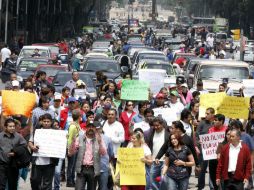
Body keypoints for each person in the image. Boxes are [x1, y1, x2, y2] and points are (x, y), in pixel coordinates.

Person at [29, 114, 59, 190]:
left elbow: (60, 144)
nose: (46, 123)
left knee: (47, 184)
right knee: (35, 181)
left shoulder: (56, 132)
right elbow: (30, 142)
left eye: (48, 121)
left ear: (51, 122)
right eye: (44, 121)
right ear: (41, 122)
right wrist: (33, 147)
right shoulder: (37, 131)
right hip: (37, 161)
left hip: (50, 162)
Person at [74, 121, 106, 190]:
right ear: (86, 128)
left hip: (93, 170)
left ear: (95, 128)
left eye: (93, 127)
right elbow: (72, 152)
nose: (91, 128)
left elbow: (103, 153)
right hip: (81, 169)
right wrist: (72, 142)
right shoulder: (80, 138)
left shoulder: (99, 139)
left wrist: (100, 143)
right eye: (89, 126)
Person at [0, 118, 27, 190]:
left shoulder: (18, 136)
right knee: (1, 185)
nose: (12, 128)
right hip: (2, 164)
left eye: (13, 126)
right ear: (5, 127)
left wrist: (15, 152)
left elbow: (24, 146)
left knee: (13, 185)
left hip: (13, 165)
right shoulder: (0, 136)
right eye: (10, 126)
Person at [145, 117, 170, 190]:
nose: (156, 127)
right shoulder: (151, 133)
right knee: (152, 179)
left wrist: (167, 156)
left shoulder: (168, 134)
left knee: (164, 180)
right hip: (154, 161)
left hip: (165, 161)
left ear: (162, 124)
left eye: (157, 125)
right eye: (154, 125)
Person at [195, 107, 215, 190]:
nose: (206, 115)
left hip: (213, 151)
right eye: (205, 113)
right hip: (203, 150)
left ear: (212, 114)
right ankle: (200, 186)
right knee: (202, 169)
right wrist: (197, 143)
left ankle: (213, 186)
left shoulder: (215, 123)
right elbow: (196, 135)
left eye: (208, 114)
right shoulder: (202, 123)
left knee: (213, 169)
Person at [208, 114, 227, 190]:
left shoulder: (226, 130)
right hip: (212, 158)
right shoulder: (211, 130)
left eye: (216, 120)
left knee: (222, 178)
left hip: (223, 159)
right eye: (214, 120)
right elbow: (208, 142)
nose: (214, 121)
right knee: (213, 177)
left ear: (221, 121)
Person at [66, 109, 83, 187]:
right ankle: (69, 181)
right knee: (71, 165)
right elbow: (70, 139)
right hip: (72, 149)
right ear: (79, 117)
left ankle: (72, 179)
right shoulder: (73, 126)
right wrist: (69, 150)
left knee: (73, 165)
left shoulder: (76, 125)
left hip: (75, 148)